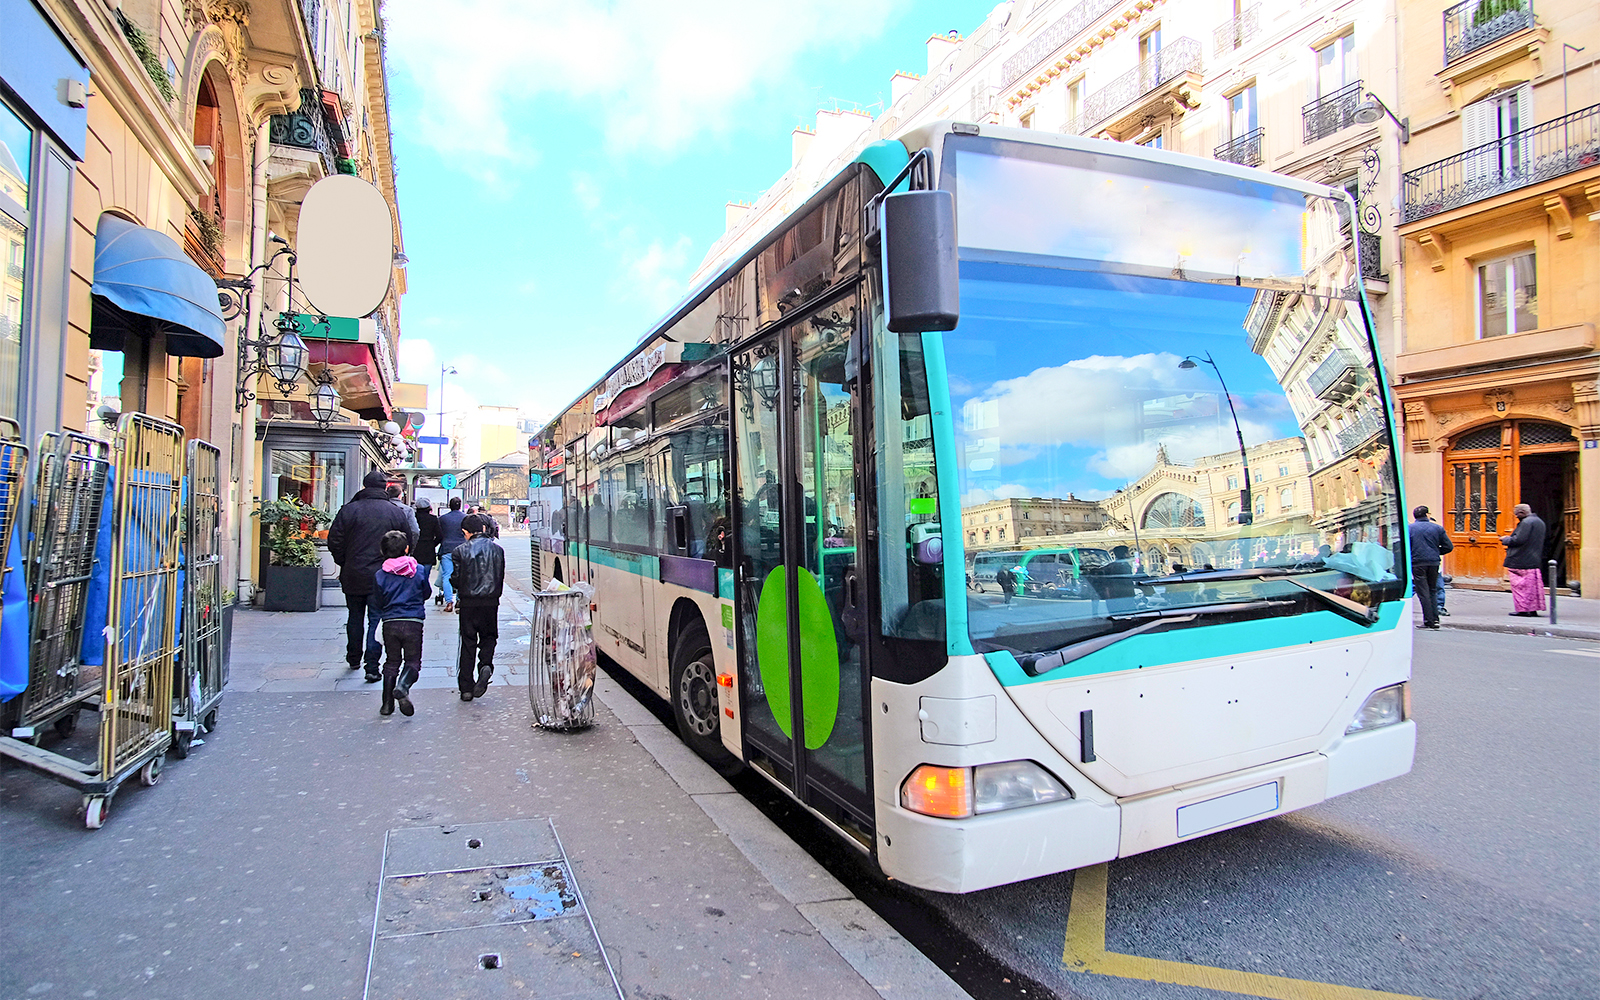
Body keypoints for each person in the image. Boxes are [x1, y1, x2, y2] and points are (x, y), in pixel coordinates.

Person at [328, 470, 417, 680]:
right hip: (384, 575)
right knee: (376, 620)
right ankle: (372, 666)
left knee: (355, 616)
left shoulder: (349, 510)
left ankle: (353, 657)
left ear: (364, 486)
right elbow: (407, 541)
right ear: (385, 487)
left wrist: (346, 561)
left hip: (354, 573)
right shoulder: (395, 512)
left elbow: (335, 540)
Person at [370, 530, 430, 717]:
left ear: (383, 551)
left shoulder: (380, 575)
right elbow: (426, 592)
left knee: (391, 662)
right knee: (412, 662)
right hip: (413, 621)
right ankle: (403, 686)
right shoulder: (418, 570)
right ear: (406, 549)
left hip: (390, 622)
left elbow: (377, 601)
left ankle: (387, 705)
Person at [450, 513, 505, 701]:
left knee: (468, 642)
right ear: (482, 529)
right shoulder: (498, 550)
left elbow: (456, 579)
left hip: (468, 603)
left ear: (465, 532)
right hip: (491, 602)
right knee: (489, 637)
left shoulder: (459, 551)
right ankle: (485, 666)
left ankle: (466, 687)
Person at [1407, 505, 1452, 630]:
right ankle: (1435, 619)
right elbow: (1449, 546)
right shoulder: (1437, 528)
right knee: (1432, 590)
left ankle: (1428, 621)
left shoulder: (1410, 529)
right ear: (1427, 515)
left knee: (1423, 592)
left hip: (1417, 563)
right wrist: (1436, 552)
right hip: (1433, 563)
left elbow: (1405, 547)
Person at [1501, 502, 1547, 617]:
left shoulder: (1526, 523)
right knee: (1533, 587)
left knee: (1520, 587)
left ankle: (1523, 609)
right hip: (1533, 559)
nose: (1516, 516)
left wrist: (1506, 539)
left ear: (1521, 513)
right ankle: (1532, 609)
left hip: (1520, 559)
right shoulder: (1539, 522)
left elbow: (1519, 540)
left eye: (1516, 514)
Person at [437, 496, 467, 612]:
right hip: (462, 549)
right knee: (462, 575)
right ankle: (459, 600)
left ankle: (449, 602)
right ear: (460, 505)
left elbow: (439, 534)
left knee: (447, 576)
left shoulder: (443, 519)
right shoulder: (465, 518)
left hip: (447, 549)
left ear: (449, 505)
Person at [414, 498, 441, 591]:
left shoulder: (413, 518)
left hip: (415, 550)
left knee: (414, 575)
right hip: (428, 550)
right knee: (425, 575)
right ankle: (423, 593)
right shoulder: (433, 519)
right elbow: (440, 536)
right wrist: (432, 544)